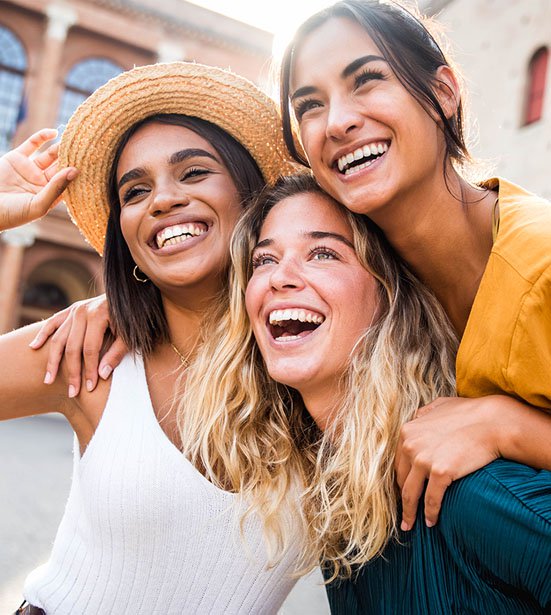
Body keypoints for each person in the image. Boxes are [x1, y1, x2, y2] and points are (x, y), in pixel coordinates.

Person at [0, 61, 302, 615]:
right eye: (134, 191)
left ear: (252, 196)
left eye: (193, 173)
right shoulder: (88, 358)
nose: (162, 200)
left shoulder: (317, 364)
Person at [184, 172, 549, 613]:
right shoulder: (342, 500)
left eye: (322, 253)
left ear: (390, 295)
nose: (281, 277)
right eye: (264, 261)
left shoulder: (468, 493)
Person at [278, 0, 551, 531]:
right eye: (309, 105)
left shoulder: (541, 268)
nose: (337, 122)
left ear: (443, 94)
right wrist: (126, 309)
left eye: (367, 79)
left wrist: (507, 425)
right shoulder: (363, 275)